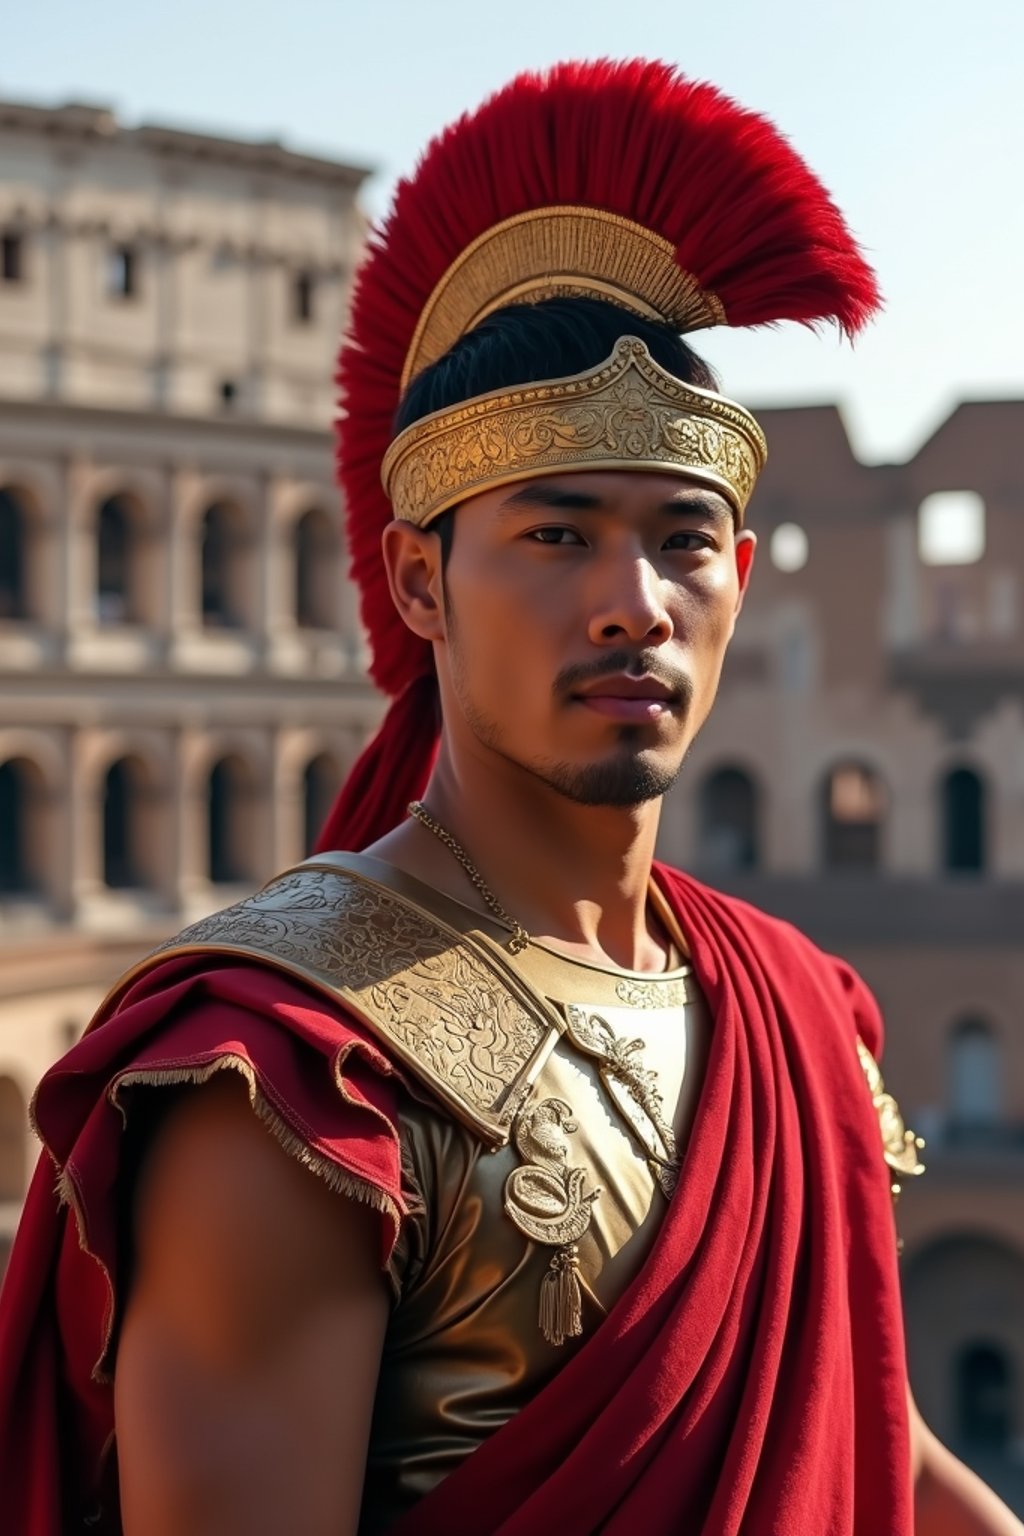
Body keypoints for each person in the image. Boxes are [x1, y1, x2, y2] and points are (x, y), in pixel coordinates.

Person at [0, 58, 1019, 1536]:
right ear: (421, 579)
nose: (630, 605)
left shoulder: (797, 1007)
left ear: (742, 583)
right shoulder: (293, 1081)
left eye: (681, 543)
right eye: (555, 534)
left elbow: (883, 1445)